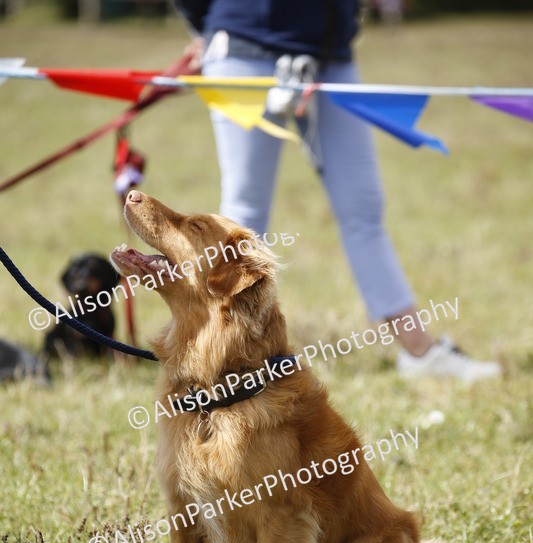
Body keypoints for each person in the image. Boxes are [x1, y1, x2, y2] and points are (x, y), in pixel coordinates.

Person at [174, 0, 501, 381]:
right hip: (244, 49)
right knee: (244, 213)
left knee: (364, 208)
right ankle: (225, 362)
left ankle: (421, 354)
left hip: (332, 58)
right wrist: (208, 29)